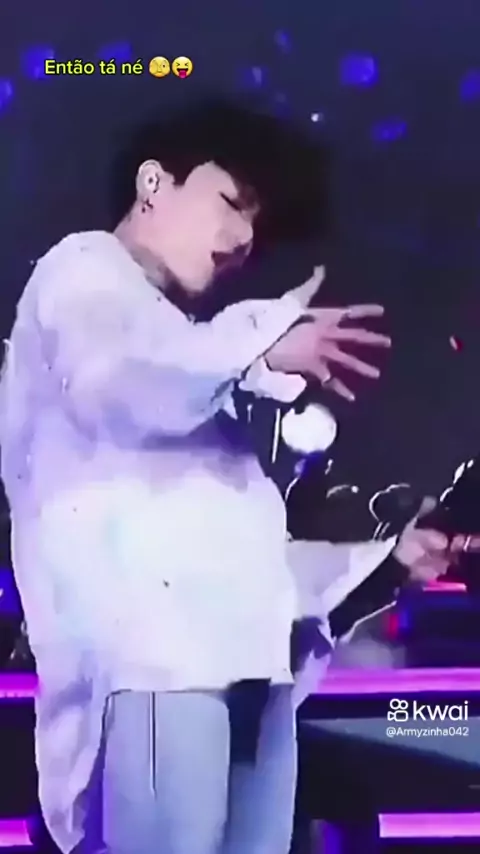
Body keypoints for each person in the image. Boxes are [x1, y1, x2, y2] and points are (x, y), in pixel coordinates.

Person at [0, 98, 443, 854]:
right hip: (157, 673)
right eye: (230, 203)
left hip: (242, 672)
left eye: (256, 229)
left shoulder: (192, 361)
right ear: (154, 183)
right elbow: (124, 380)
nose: (241, 241)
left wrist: (388, 561)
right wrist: (258, 346)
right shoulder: (81, 274)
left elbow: (240, 559)